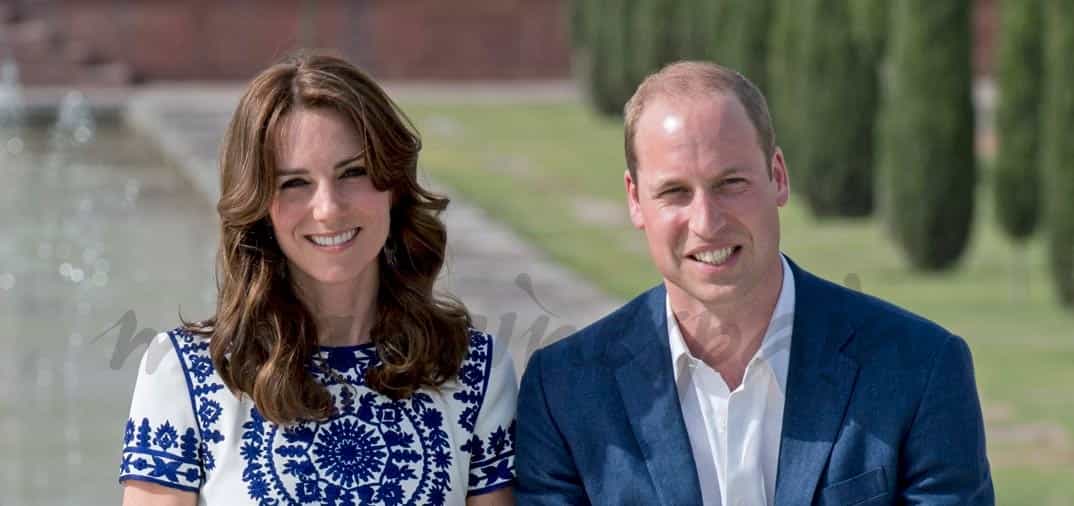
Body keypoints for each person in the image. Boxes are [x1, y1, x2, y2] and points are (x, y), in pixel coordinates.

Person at [515, 61, 993, 505]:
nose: (706, 222)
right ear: (636, 201)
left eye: (730, 183)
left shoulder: (922, 369)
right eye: (675, 192)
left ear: (778, 176)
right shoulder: (564, 392)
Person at [118, 53, 516, 506]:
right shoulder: (184, 373)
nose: (328, 208)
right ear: (258, 207)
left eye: (353, 173)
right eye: (294, 183)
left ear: (393, 184)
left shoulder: (474, 372)